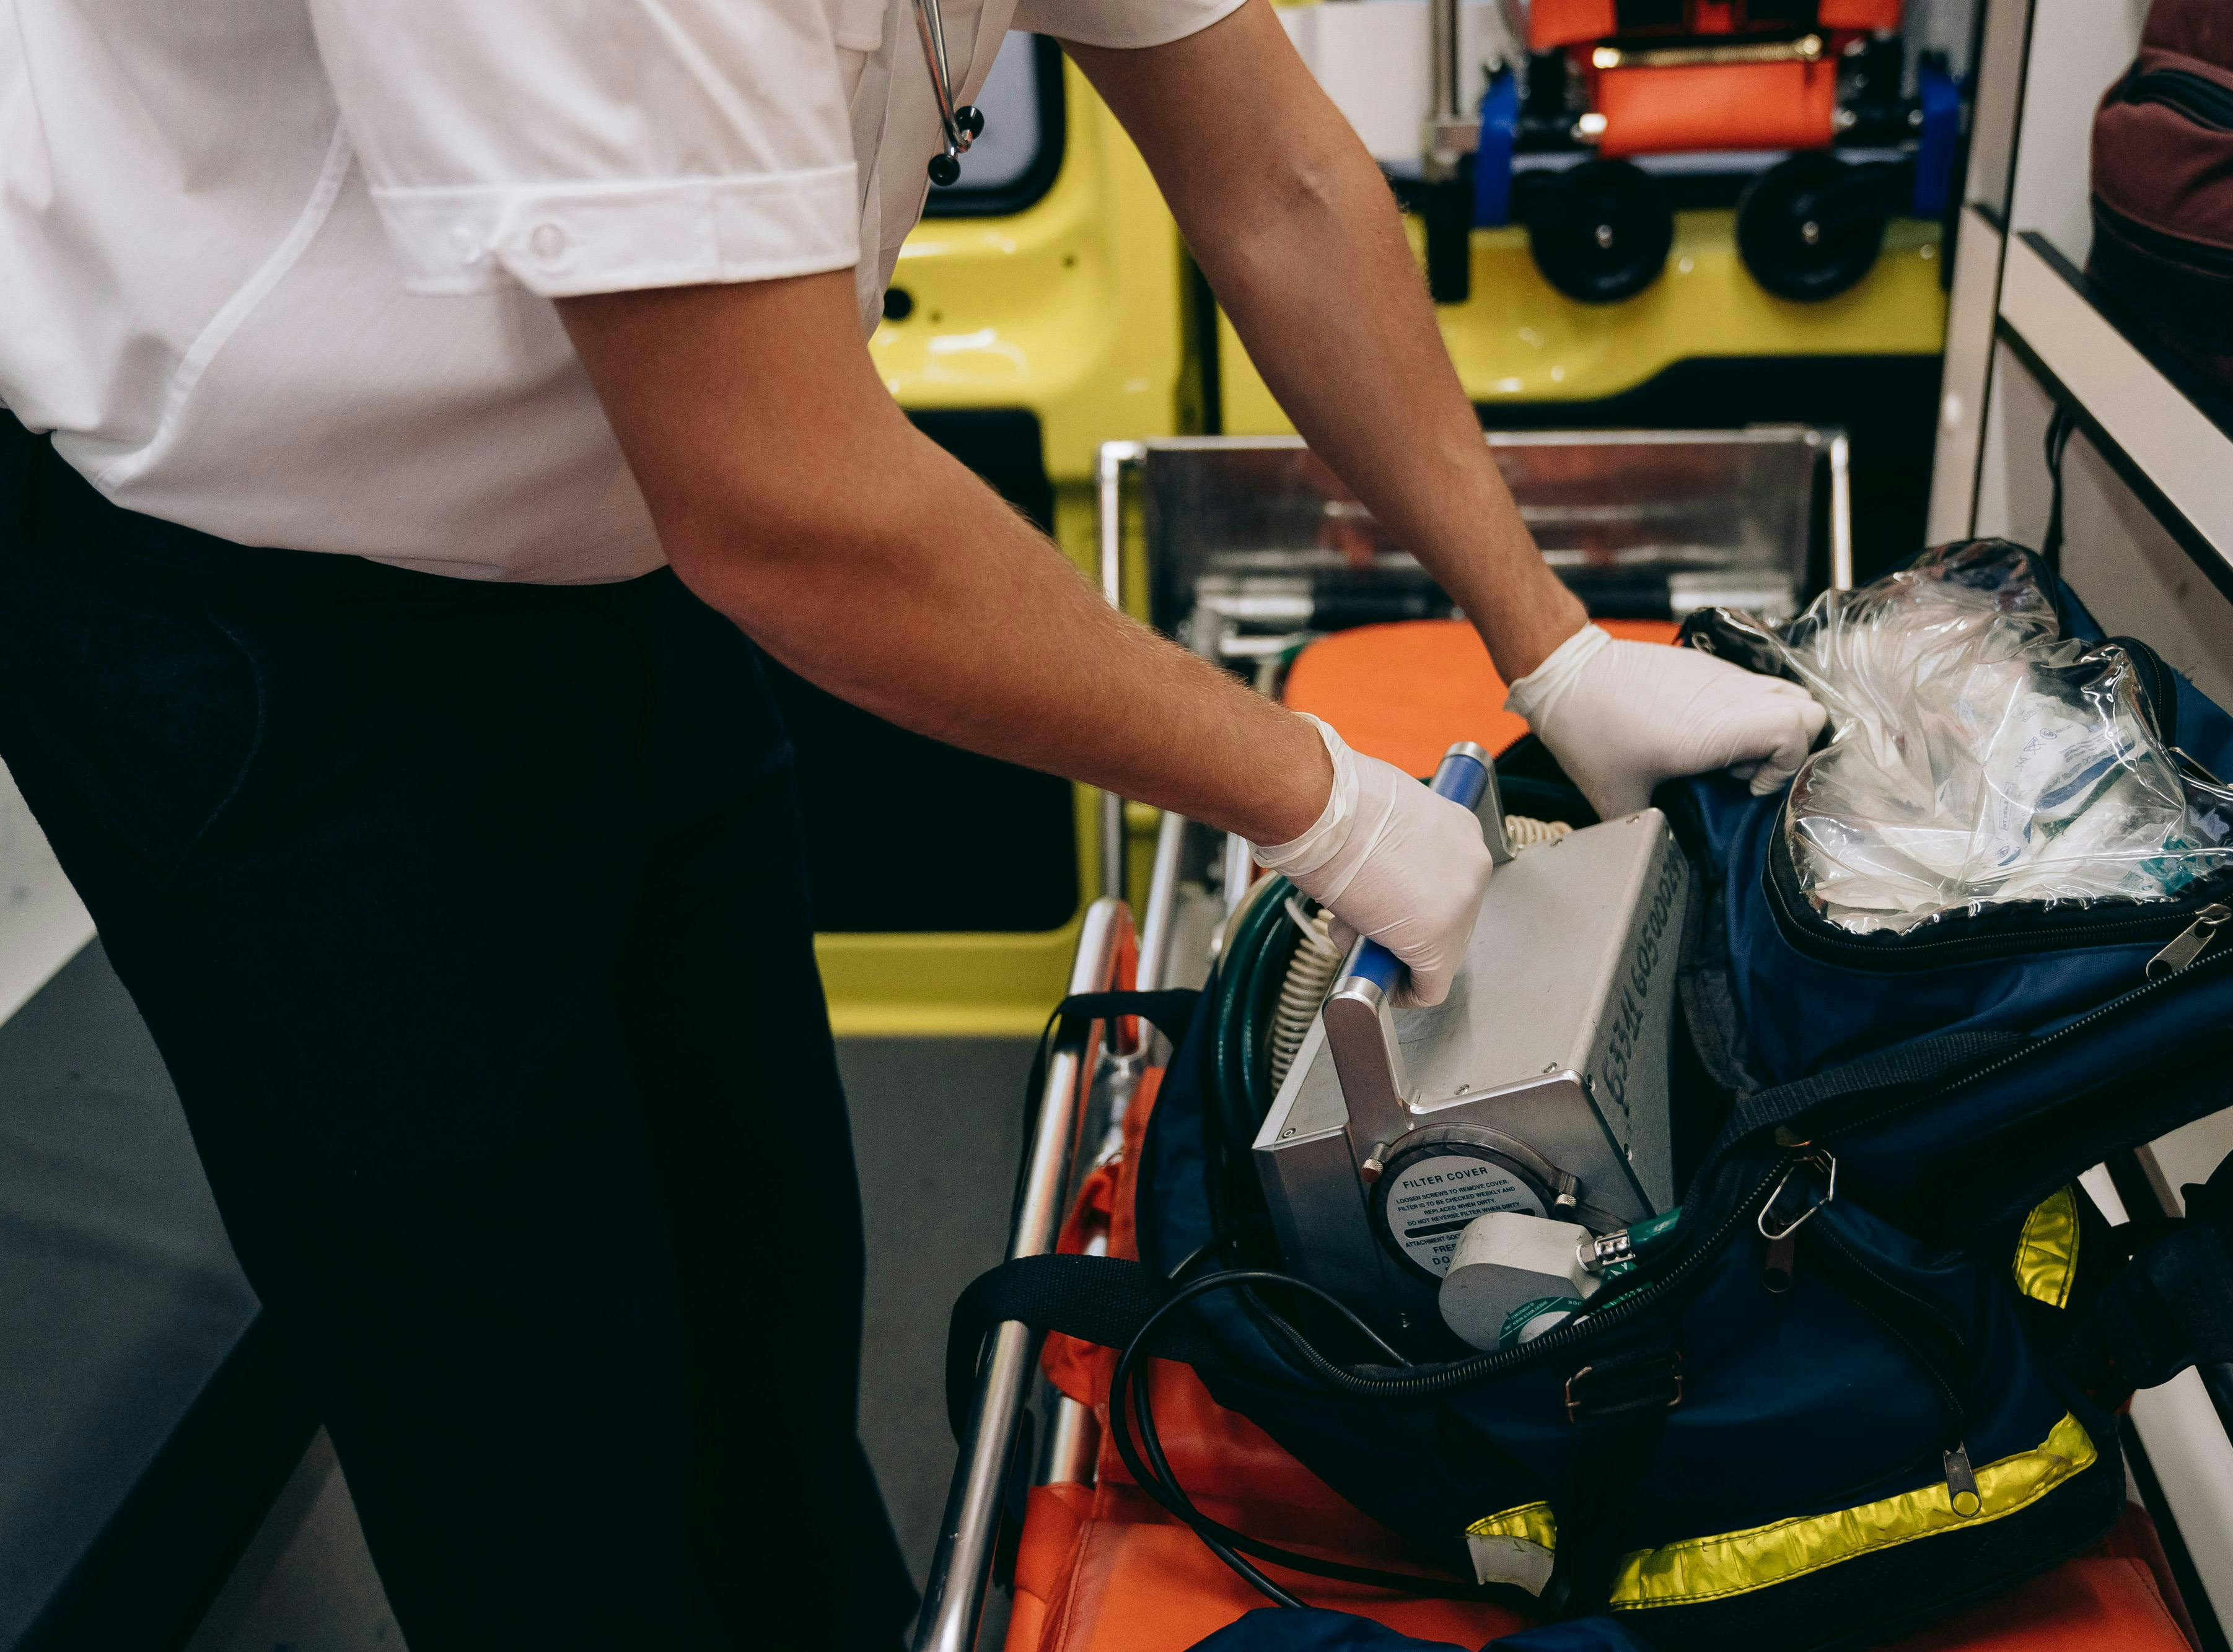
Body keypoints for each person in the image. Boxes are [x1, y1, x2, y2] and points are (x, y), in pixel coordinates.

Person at [0, 1, 1825, 1645]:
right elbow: (785, 500)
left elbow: (1274, 175)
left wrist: (1554, 646)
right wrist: (1324, 805)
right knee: (534, 1441)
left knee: (766, 1292)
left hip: (619, 541)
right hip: (251, 608)